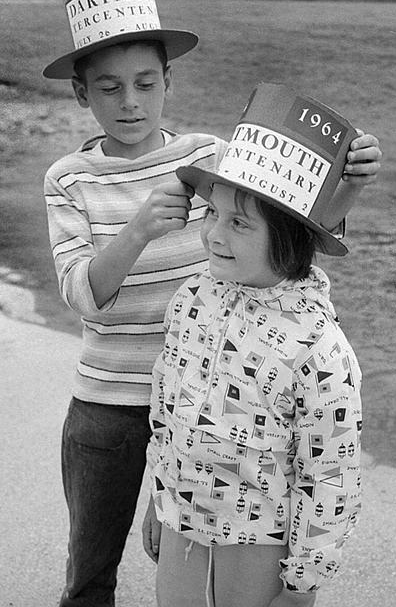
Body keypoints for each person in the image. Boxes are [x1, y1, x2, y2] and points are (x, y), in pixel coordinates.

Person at [42, 0, 381, 606]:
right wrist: (140, 228)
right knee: (91, 566)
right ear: (82, 92)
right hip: (111, 397)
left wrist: (349, 178)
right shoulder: (69, 179)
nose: (131, 102)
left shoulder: (205, 156)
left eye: (146, 82)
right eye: (109, 87)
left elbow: (283, 221)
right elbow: (84, 295)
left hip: (218, 392)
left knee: (209, 561)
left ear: (169, 79)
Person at [143, 83, 368, 607]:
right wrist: (155, 500)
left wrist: (299, 586)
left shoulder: (319, 349)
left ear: (289, 239)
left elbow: (330, 477)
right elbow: (165, 412)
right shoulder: (192, 299)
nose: (215, 235)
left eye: (239, 223)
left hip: (259, 544)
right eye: (211, 214)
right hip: (182, 523)